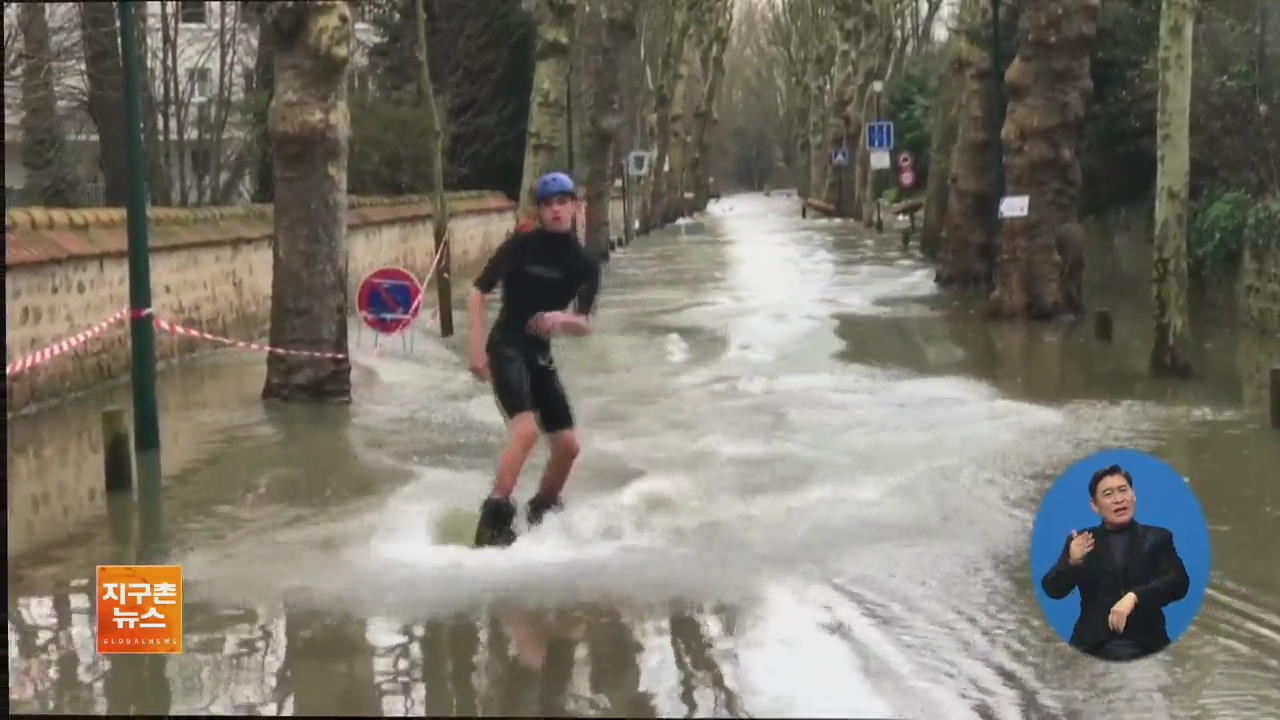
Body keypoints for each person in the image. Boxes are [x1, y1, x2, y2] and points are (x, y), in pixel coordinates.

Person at [467, 171, 601, 547]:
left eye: (562, 203)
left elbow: (584, 324)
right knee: (525, 433)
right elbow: (478, 292)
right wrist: (476, 350)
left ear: (575, 206)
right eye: (548, 205)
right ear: (540, 212)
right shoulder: (521, 245)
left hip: (539, 354)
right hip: (506, 347)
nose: (556, 210)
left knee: (568, 446)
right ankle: (493, 518)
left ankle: (542, 509)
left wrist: (563, 319)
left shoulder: (584, 262)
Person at [1040, 464, 1191, 661]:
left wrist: (1135, 597)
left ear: (1133, 495)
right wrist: (1072, 562)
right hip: (1093, 646)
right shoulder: (1082, 541)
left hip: (1146, 645)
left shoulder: (1157, 538)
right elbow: (1053, 590)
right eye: (1108, 494)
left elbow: (1179, 582)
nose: (1118, 499)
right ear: (1094, 505)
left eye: (1123, 490)